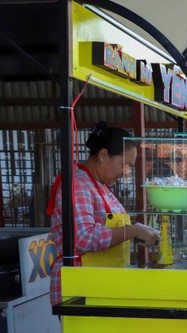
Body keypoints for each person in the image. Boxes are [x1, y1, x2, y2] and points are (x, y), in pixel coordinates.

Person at [48, 121, 160, 306]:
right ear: (103, 155)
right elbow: (83, 238)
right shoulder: (79, 185)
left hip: (99, 284)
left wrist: (141, 234)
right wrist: (133, 230)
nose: (126, 172)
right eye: (124, 164)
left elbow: (111, 230)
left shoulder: (101, 186)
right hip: (78, 289)